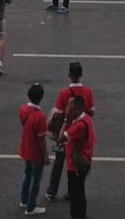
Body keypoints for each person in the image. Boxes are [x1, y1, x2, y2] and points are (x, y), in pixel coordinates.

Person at [46, 62, 95, 203]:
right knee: (76, 162)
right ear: (81, 75)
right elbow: (91, 111)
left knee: (59, 161)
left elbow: (58, 114)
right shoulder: (87, 91)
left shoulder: (64, 93)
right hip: (81, 134)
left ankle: (51, 191)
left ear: (69, 75)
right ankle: (72, 190)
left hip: (66, 131)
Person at [57, 94, 95, 219]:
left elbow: (61, 138)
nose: (67, 109)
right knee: (79, 190)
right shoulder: (86, 118)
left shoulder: (78, 125)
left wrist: (66, 120)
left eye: (70, 107)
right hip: (83, 158)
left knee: (76, 193)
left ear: (78, 108)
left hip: (76, 165)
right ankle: (81, 215)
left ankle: (78, 216)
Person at [17, 82, 50, 216]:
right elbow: (41, 140)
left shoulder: (23, 109)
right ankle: (31, 206)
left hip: (26, 147)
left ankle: (24, 199)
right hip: (36, 152)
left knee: (27, 175)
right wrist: (46, 156)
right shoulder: (40, 117)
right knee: (36, 179)